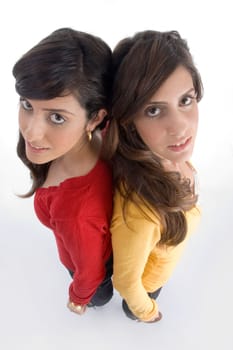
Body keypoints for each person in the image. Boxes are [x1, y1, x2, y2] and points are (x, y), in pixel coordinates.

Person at [103, 30, 203, 323]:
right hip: (150, 283)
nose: (180, 128)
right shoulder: (140, 213)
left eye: (186, 100)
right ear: (129, 120)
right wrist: (147, 311)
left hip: (163, 263)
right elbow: (126, 282)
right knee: (132, 310)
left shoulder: (169, 153)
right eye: (154, 110)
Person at [13, 28, 114, 315]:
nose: (31, 132)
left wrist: (80, 299)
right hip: (99, 248)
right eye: (27, 105)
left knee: (98, 296)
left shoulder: (75, 212)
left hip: (94, 271)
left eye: (57, 117)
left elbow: (90, 272)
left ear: (95, 117)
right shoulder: (104, 134)